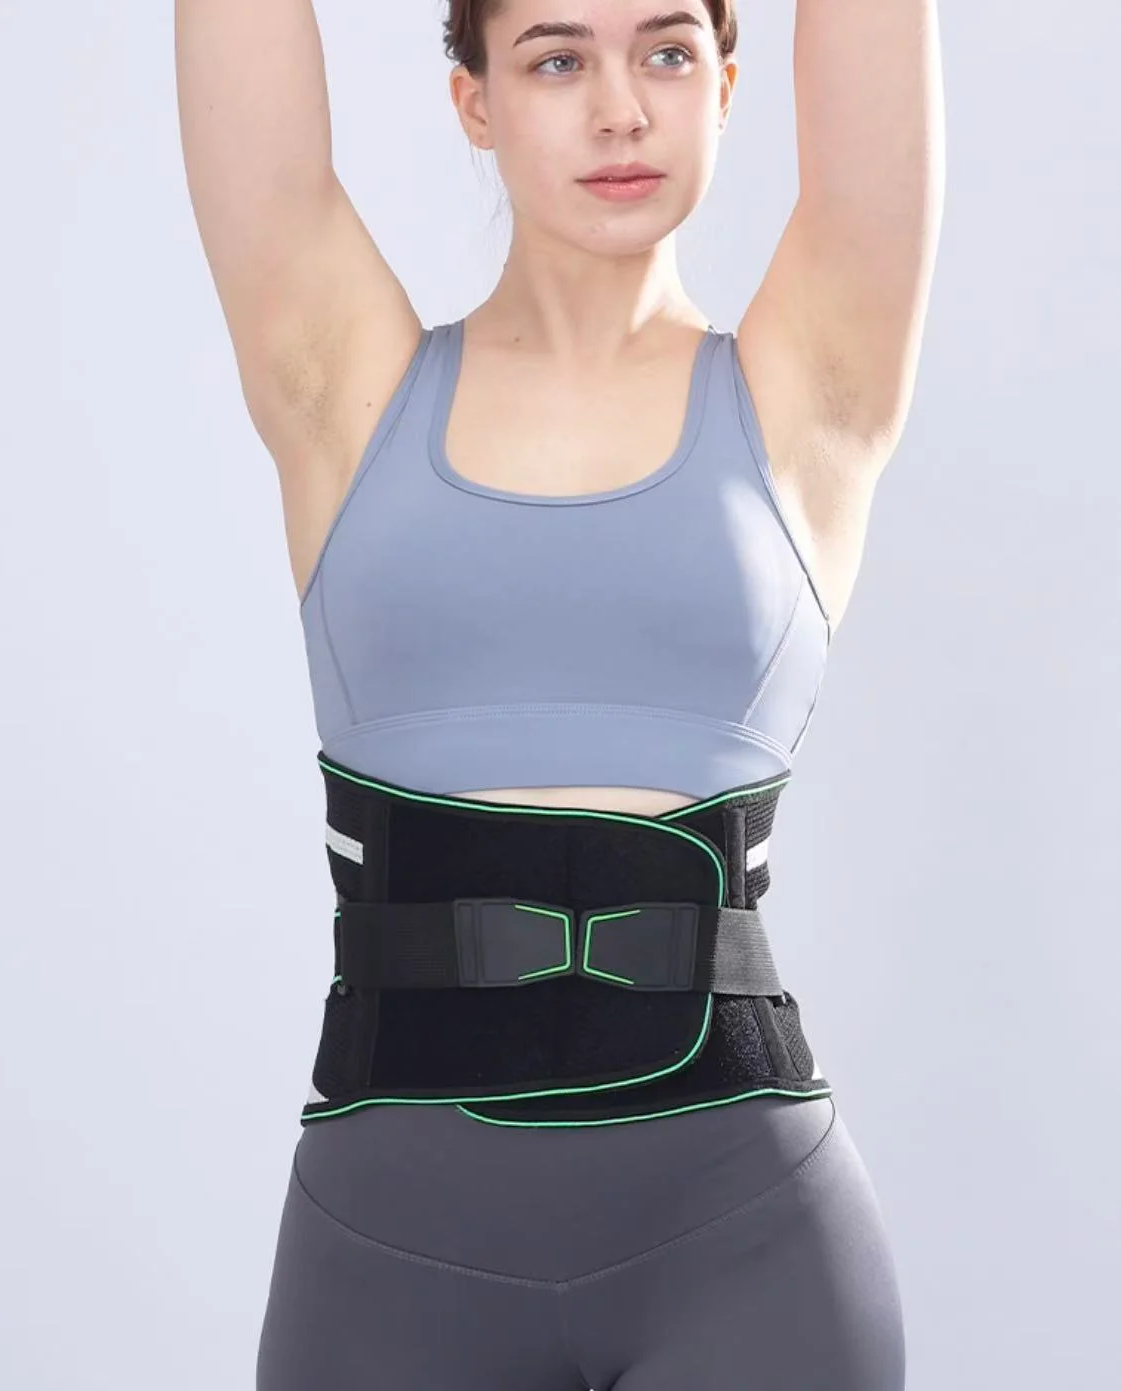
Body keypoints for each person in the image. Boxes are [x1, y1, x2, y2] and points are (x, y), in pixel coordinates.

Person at [176, 1, 943, 1385]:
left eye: (666, 52)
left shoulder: (813, 387)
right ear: (473, 98)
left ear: (725, 84)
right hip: (390, 1255)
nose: (620, 109)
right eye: (556, 58)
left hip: (748, 1238)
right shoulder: (343, 387)